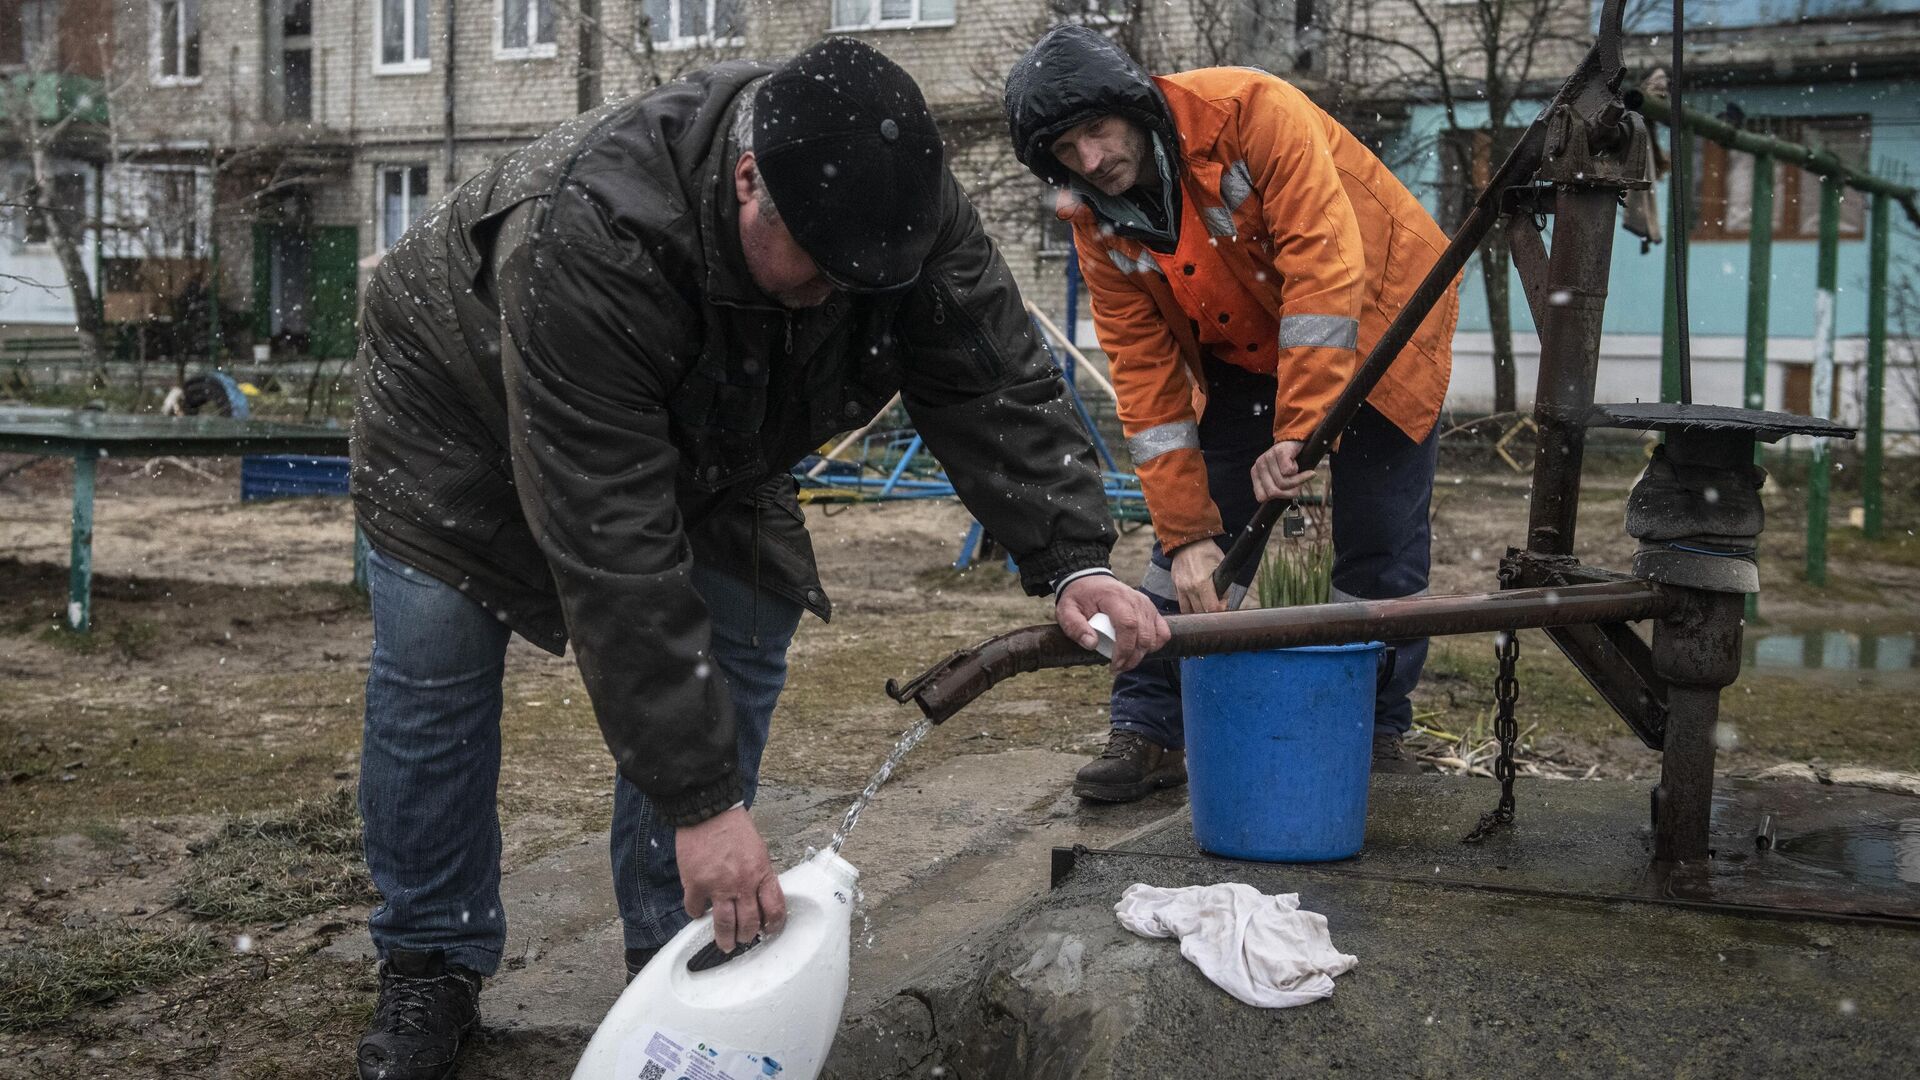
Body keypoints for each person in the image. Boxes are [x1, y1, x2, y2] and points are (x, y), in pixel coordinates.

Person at [349, 38, 1168, 1080]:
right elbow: (614, 543)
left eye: (860, 280)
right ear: (749, 182)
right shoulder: (593, 234)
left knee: (745, 626)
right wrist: (701, 801)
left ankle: (678, 949)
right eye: (820, 268)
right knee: (438, 669)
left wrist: (1072, 562)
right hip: (454, 407)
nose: (837, 294)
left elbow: (987, 377)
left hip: (717, 419)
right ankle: (430, 958)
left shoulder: (891, 212)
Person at [1004, 25, 1457, 802]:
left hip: (1385, 324)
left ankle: (1374, 735)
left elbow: (1325, 267)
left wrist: (1299, 436)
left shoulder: (1252, 111)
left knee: (1378, 549)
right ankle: (1149, 732)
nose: (1090, 161)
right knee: (1185, 552)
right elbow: (1146, 385)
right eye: (1065, 151)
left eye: (1096, 132)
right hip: (1247, 350)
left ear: (1133, 105)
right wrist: (1185, 535)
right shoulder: (1096, 225)